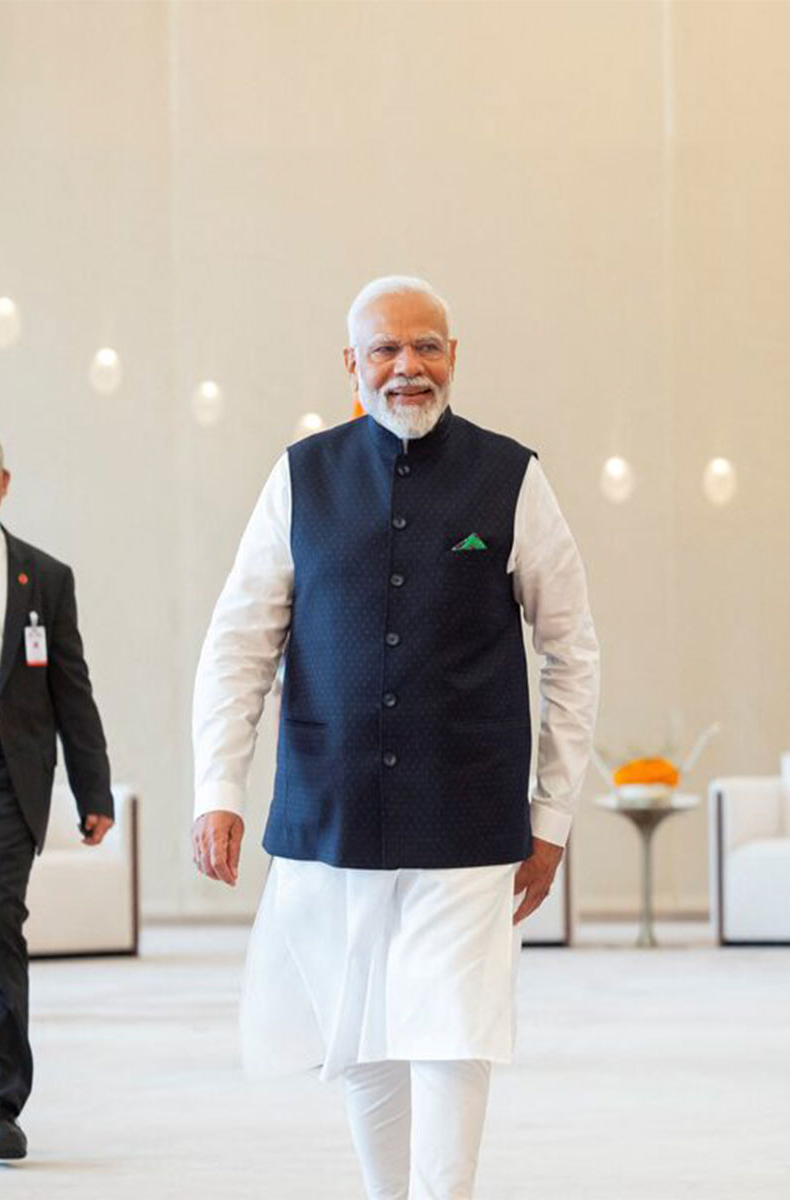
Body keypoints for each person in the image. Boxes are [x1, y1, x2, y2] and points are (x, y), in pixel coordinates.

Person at [191, 276, 599, 1199]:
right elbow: (240, 640)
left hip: (468, 814)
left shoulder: (512, 476)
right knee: (362, 1030)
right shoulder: (300, 475)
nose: (407, 367)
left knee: (454, 1026)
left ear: (455, 357)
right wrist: (218, 784)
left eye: (427, 347)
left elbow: (572, 650)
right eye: (385, 349)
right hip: (333, 813)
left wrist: (553, 813)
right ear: (352, 365)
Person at [0, 421, 113, 1161]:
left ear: (5, 481)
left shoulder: (42, 579)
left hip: (0, 776)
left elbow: (70, 691)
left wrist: (94, 790)